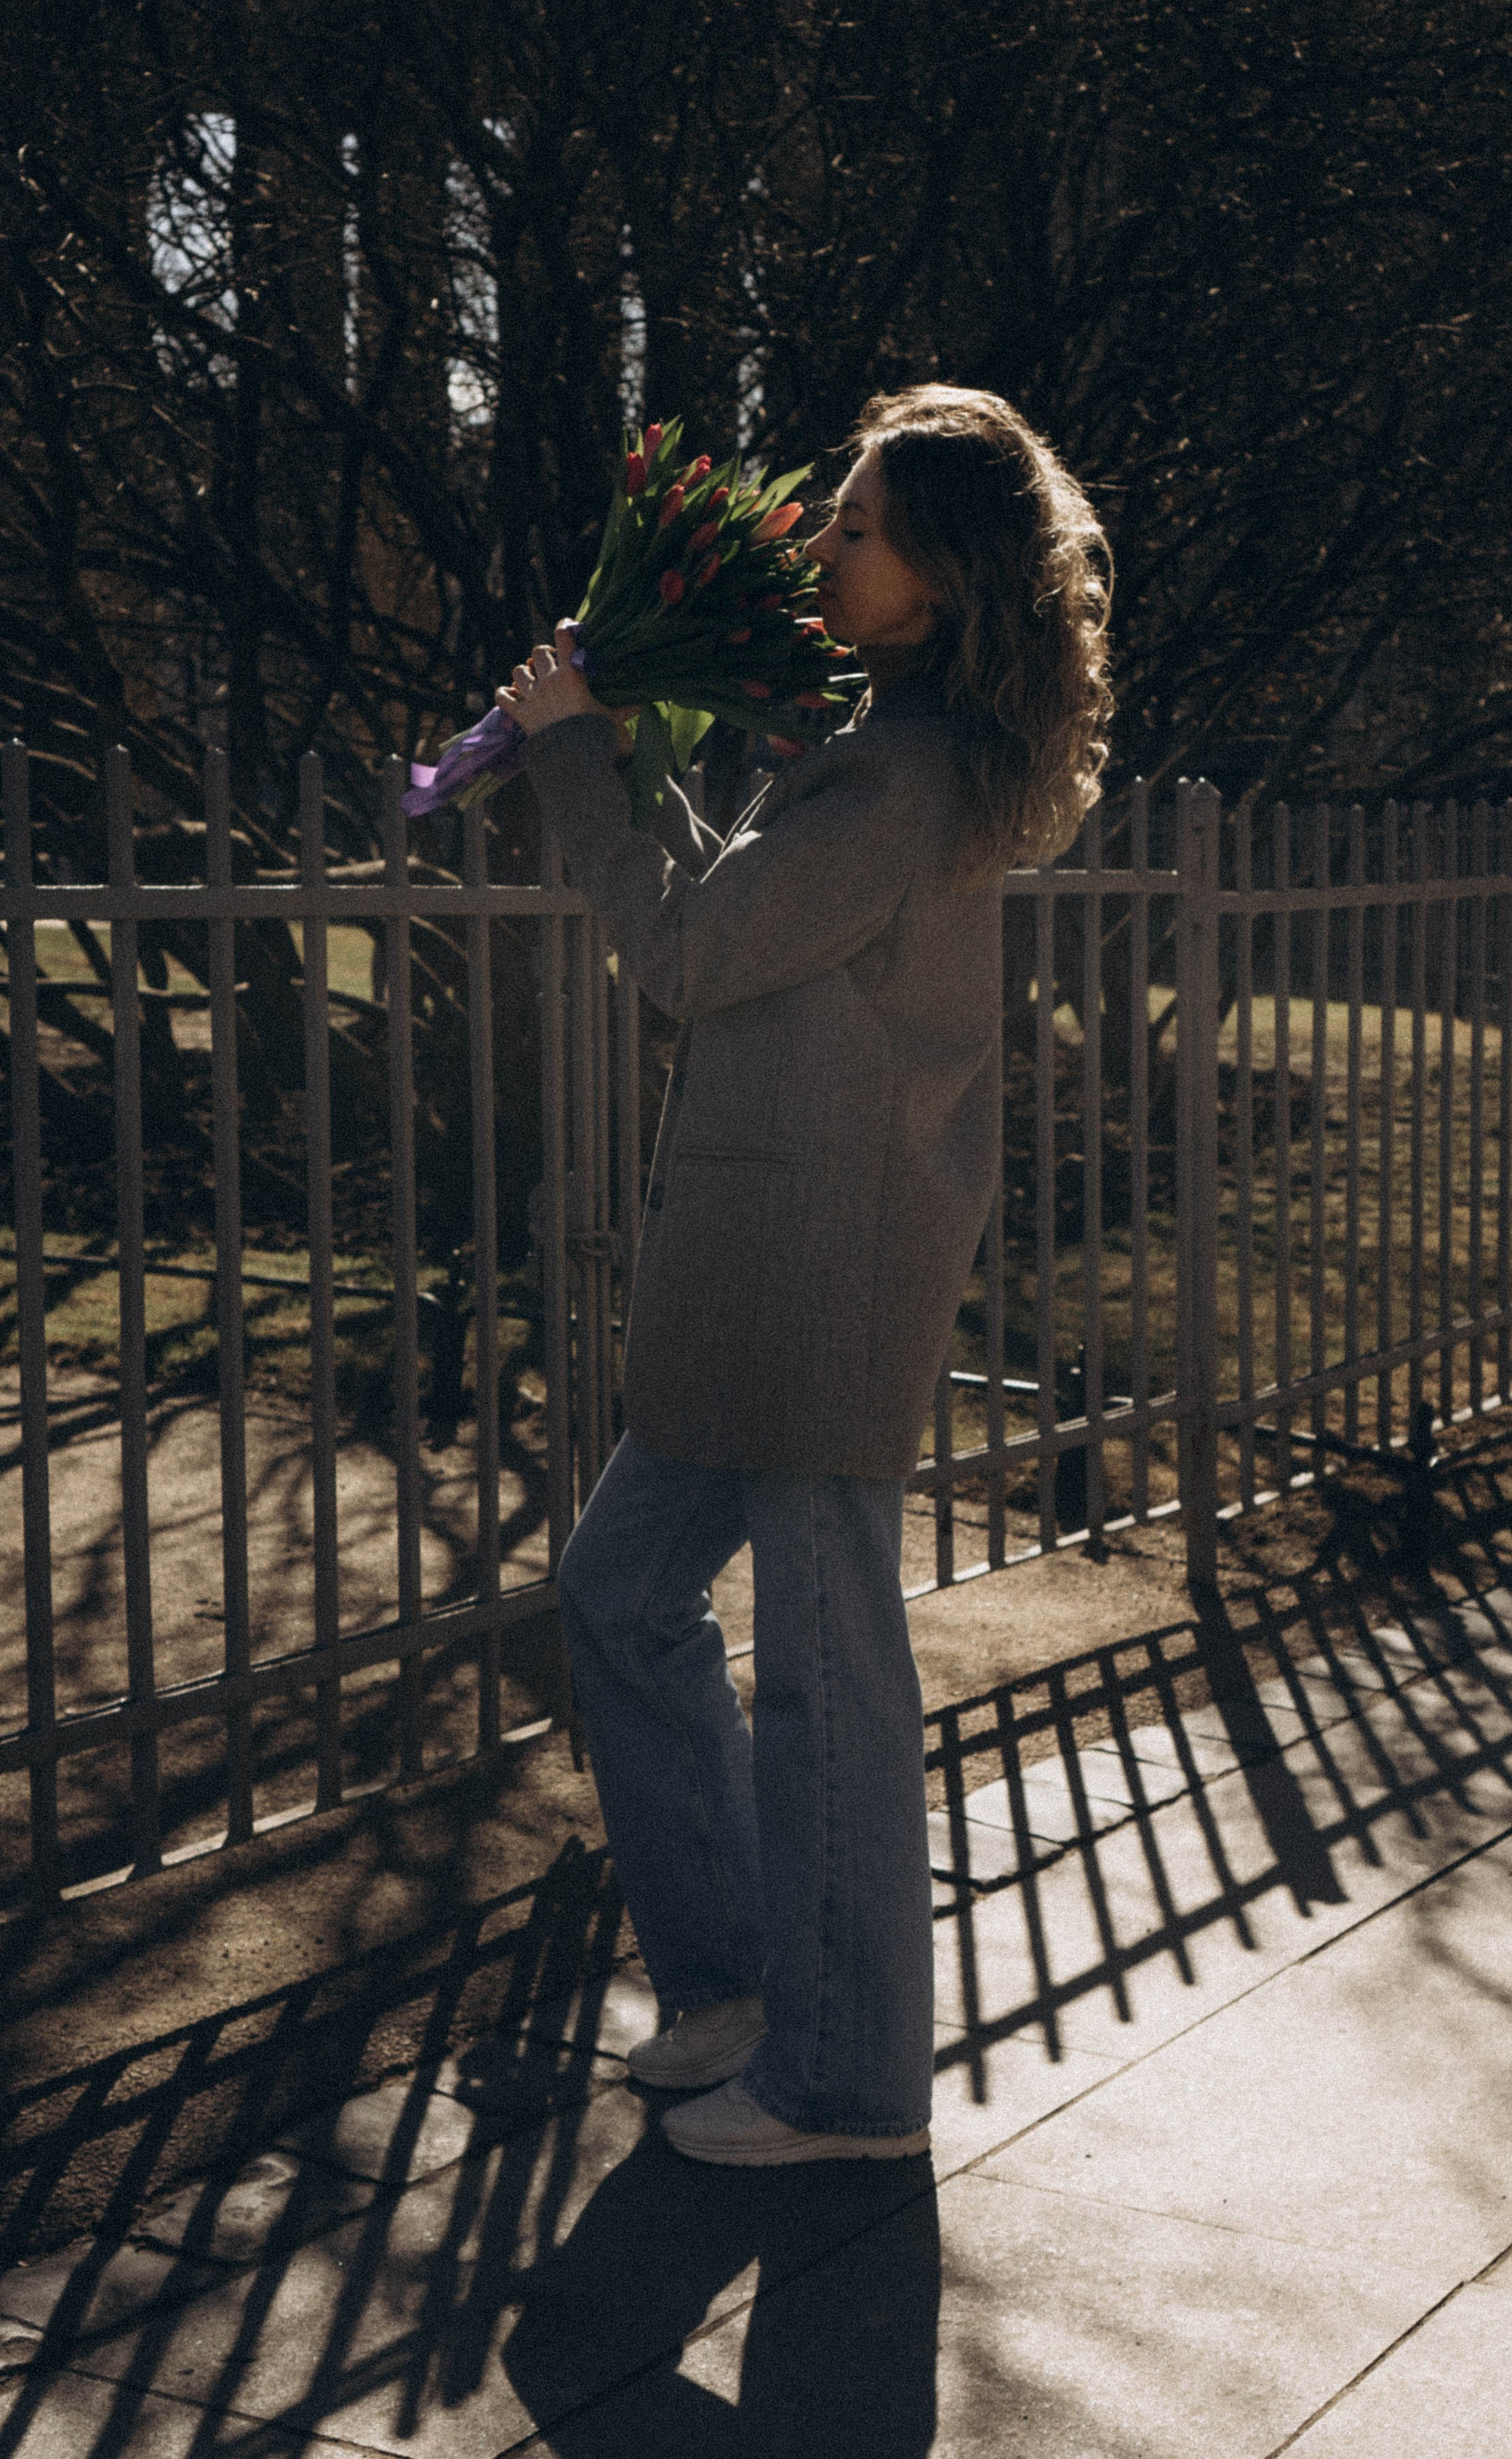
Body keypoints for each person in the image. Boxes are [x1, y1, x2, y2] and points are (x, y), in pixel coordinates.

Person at [497, 384, 1112, 2164]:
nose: (819, 548)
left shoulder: (898, 773)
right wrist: (628, 749)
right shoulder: (880, 749)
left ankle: (844, 2084)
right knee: (622, 1594)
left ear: (941, 571)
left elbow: (684, 961)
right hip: (774, 1245)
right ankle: (737, 1984)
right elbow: (751, 944)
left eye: (853, 526)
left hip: (819, 1256)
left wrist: (570, 758)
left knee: (827, 1676)